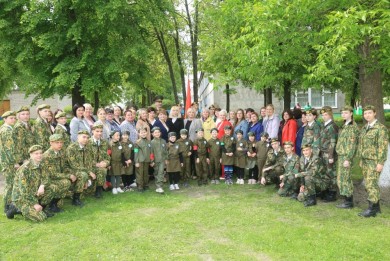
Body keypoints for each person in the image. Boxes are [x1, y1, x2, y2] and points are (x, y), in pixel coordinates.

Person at [7, 145, 56, 221]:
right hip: (22, 198)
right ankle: (15, 209)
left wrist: (42, 186)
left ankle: (41, 208)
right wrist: (34, 204)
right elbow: (24, 191)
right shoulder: (24, 169)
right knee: (41, 218)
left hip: (34, 193)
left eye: (40, 153)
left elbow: (46, 178)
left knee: (52, 188)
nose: (39, 155)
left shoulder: (42, 164)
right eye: (36, 153)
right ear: (31, 155)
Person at [358, 105, 389, 217]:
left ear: (375, 113)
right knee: (370, 185)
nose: (367, 115)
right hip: (365, 161)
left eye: (369, 113)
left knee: (371, 185)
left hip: (374, 162)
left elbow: (383, 147)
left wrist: (381, 163)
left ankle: (372, 209)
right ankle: (376, 207)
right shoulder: (365, 128)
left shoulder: (380, 128)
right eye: (365, 113)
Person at [41, 134, 73, 212]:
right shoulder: (47, 155)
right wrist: (69, 176)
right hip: (47, 179)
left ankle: (54, 204)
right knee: (66, 182)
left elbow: (64, 166)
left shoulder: (60, 152)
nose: (60, 144)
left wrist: (70, 173)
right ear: (51, 143)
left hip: (57, 177)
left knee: (67, 181)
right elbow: (52, 174)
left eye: (61, 142)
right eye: (57, 142)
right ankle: (51, 205)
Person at [335, 105, 359, 209]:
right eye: (342, 113)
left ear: (351, 113)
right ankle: (346, 200)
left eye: (345, 113)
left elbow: (352, 145)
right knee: (341, 179)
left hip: (346, 157)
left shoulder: (352, 127)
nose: (343, 115)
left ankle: (349, 202)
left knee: (345, 179)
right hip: (341, 156)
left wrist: (347, 159)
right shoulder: (345, 125)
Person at [66, 130, 95, 206]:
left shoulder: (87, 147)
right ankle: (76, 199)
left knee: (95, 171)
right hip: (71, 169)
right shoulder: (71, 148)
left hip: (82, 169)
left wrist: (89, 172)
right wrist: (88, 172)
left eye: (87, 137)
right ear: (78, 137)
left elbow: (89, 162)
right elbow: (73, 165)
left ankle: (92, 191)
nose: (86, 139)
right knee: (83, 175)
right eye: (84, 137)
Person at [319, 106, 339, 202]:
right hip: (323, 153)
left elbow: (333, 142)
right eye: (322, 115)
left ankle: (333, 192)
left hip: (329, 154)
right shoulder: (324, 125)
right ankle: (326, 190)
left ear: (330, 115)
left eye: (326, 114)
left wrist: (331, 156)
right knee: (325, 172)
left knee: (331, 173)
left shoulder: (332, 126)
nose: (324, 116)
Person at [0, 111, 18, 213]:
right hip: (9, 162)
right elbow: (9, 148)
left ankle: (10, 205)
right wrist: (14, 162)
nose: (13, 120)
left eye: (14, 118)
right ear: (5, 119)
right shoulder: (7, 130)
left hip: (7, 161)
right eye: (11, 118)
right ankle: (7, 207)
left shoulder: (6, 129)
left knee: (10, 183)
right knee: (10, 184)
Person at [88, 123, 110, 198]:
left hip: (100, 166)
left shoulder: (104, 142)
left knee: (102, 170)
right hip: (89, 166)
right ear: (92, 131)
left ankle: (98, 190)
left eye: (101, 131)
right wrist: (95, 164)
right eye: (97, 131)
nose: (99, 133)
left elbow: (107, 156)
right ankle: (91, 189)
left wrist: (105, 163)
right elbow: (85, 158)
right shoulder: (87, 142)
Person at [134, 127, 152, 192]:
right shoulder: (137, 143)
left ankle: (145, 185)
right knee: (140, 174)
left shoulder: (149, 142)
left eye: (144, 132)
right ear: (139, 134)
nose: (143, 134)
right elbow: (135, 152)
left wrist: (151, 160)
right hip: (140, 161)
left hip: (147, 160)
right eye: (141, 133)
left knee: (146, 173)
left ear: (147, 133)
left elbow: (151, 152)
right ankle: (140, 186)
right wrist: (136, 162)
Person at [150, 127, 168, 193]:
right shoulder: (152, 142)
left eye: (158, 132)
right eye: (155, 132)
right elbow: (151, 153)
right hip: (155, 161)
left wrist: (166, 158)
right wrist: (152, 161)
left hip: (162, 160)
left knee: (161, 173)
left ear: (160, 133)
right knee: (156, 173)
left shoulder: (163, 141)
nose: (157, 134)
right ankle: (158, 186)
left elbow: (166, 151)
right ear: (152, 134)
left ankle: (159, 186)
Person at [109, 130, 124, 195]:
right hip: (112, 162)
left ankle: (118, 186)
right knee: (113, 175)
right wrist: (108, 164)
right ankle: (114, 187)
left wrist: (123, 162)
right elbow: (108, 154)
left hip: (119, 162)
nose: (118, 137)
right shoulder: (109, 144)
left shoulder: (120, 143)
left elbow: (122, 153)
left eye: (119, 135)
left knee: (118, 174)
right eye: (117, 135)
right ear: (112, 136)